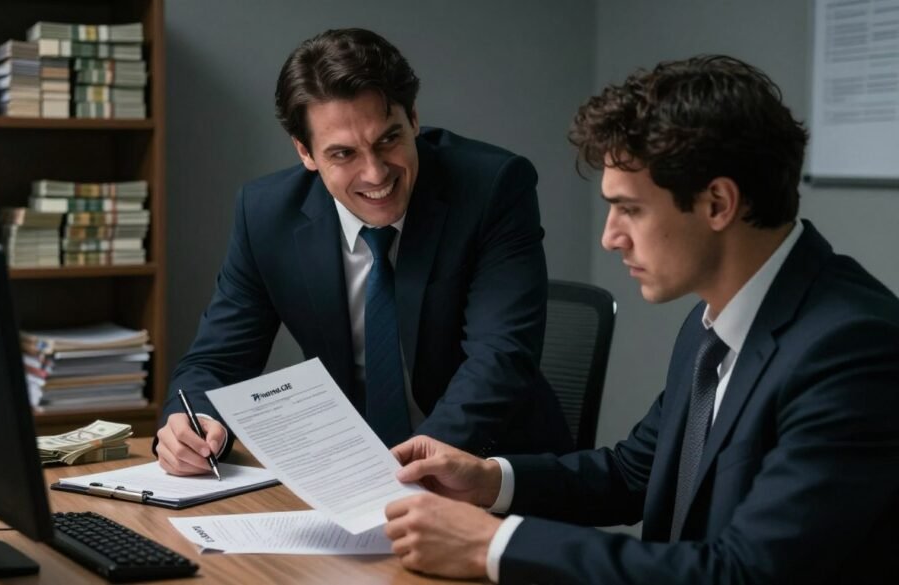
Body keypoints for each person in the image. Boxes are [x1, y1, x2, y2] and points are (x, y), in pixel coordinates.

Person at [383, 55, 899, 584]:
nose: (610, 237)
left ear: (718, 203)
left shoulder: (852, 349)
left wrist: (492, 545)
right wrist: (489, 481)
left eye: (629, 209)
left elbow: (747, 573)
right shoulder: (714, 319)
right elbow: (635, 471)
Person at [156, 28, 573, 477]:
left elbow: (500, 358)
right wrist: (194, 420)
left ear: (413, 118)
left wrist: (402, 475)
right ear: (306, 152)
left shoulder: (491, 189)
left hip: (490, 471)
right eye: (343, 153)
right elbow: (217, 359)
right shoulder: (266, 216)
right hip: (349, 478)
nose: (375, 173)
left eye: (388, 139)